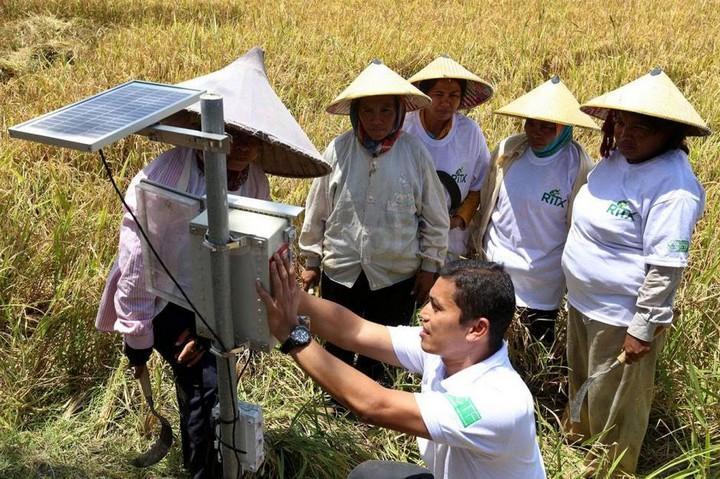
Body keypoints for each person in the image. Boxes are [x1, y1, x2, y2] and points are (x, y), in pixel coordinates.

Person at [95, 47, 329, 478]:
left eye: (253, 138)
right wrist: (140, 337)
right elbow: (138, 259)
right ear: (206, 128)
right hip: (168, 296)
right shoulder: (165, 179)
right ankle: (201, 469)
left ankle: (218, 461)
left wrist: (247, 318)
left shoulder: (254, 179)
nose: (242, 147)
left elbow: (255, 250)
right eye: (231, 132)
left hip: (218, 290)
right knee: (204, 390)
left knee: (218, 384)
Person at [257, 254, 547, 479]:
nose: (423, 314)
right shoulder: (447, 350)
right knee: (369, 475)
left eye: (437, 307)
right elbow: (354, 330)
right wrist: (294, 298)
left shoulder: (497, 402)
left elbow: (373, 405)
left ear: (476, 329)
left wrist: (293, 338)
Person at [562, 68, 710, 475]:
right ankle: (579, 448)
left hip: (620, 316)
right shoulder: (616, 159)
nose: (626, 134)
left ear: (668, 134)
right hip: (583, 303)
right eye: (621, 123)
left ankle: (612, 469)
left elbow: (666, 269)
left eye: (640, 128)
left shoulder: (673, 187)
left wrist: (643, 327)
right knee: (585, 382)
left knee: (620, 401)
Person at [299, 59, 449, 382]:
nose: (376, 120)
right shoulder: (338, 151)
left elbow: (435, 217)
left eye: (385, 110)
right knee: (337, 343)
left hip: (395, 273)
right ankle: (335, 406)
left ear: (399, 112)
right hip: (342, 270)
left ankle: (372, 411)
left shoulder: (415, 154)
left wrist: (430, 266)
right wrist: (311, 259)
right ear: (356, 113)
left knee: (382, 350)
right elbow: (317, 209)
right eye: (368, 111)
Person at [469, 76, 598, 346]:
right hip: (496, 268)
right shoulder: (509, 151)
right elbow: (486, 201)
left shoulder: (578, 167)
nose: (536, 132)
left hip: (543, 280)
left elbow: (579, 225)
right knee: (486, 346)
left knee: (535, 349)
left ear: (564, 129)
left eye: (547, 127)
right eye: (531, 123)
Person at [403, 55, 494, 260]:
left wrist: (457, 221)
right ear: (424, 95)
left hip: (449, 239)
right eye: (438, 94)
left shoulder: (470, 132)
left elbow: (478, 187)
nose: (446, 102)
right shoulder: (404, 128)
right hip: (405, 234)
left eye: (453, 95)